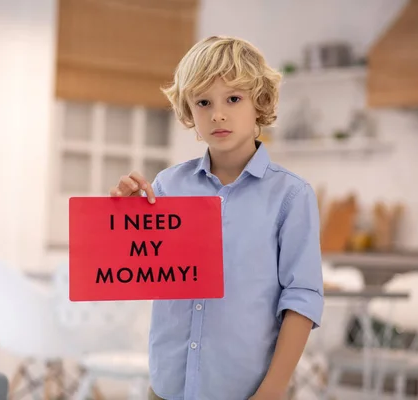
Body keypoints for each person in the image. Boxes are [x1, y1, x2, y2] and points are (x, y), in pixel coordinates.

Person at [109, 36, 324, 400]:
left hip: (248, 392)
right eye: (203, 102)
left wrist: (272, 390)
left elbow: (302, 299)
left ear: (260, 103)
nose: (217, 114)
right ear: (189, 111)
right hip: (167, 387)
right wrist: (120, 217)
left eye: (233, 99)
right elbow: (132, 270)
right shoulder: (166, 185)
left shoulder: (291, 196)